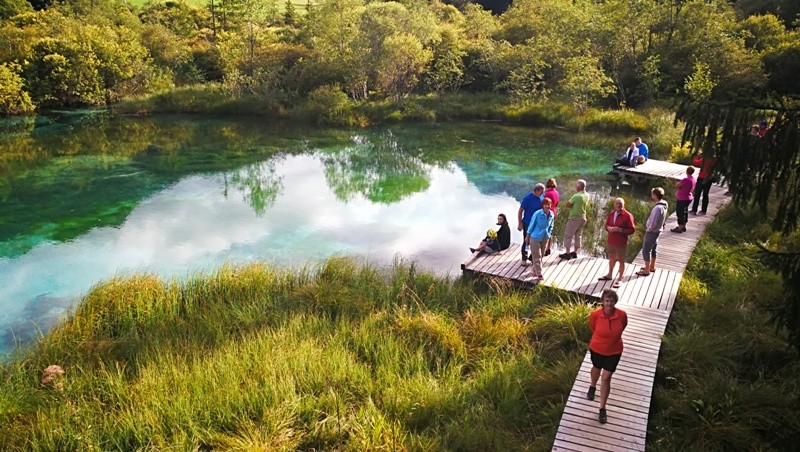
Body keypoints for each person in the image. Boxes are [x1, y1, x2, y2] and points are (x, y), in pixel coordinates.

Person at [587, 288, 628, 425]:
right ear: (602, 302)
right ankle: (592, 386)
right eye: (606, 301)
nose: (609, 303)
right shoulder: (595, 314)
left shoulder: (622, 315)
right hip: (597, 348)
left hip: (614, 350)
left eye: (611, 301)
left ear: (615, 301)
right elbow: (593, 328)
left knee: (606, 377)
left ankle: (602, 408)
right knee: (596, 367)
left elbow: (623, 327)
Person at [598, 198, 635, 288]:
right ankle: (610, 275)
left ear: (624, 205)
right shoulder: (612, 213)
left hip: (621, 242)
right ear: (614, 204)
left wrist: (620, 230)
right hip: (611, 240)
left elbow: (632, 230)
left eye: (621, 203)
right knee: (611, 257)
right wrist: (609, 228)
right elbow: (606, 225)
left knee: (621, 260)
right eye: (617, 203)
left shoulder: (627, 215)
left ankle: (620, 279)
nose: (619, 205)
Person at [637, 187, 668, 276]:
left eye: (652, 194)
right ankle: (651, 266)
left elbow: (654, 221)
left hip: (653, 232)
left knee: (646, 250)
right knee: (653, 249)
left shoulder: (658, 208)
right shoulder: (664, 204)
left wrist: (648, 229)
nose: (651, 196)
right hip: (658, 231)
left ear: (655, 195)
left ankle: (646, 270)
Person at [524, 198, 555, 282]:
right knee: (536, 255)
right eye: (545, 204)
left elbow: (551, 225)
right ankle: (539, 273)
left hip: (544, 237)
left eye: (549, 204)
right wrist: (527, 236)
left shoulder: (551, 214)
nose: (547, 206)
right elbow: (531, 225)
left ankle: (534, 269)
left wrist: (548, 234)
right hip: (535, 237)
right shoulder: (537, 214)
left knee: (541, 254)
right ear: (543, 205)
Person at [559, 179, 589, 260]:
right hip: (583, 217)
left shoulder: (576, 196)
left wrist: (572, 206)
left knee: (568, 235)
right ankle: (575, 252)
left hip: (574, 218)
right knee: (578, 235)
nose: (575, 187)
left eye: (576, 185)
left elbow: (567, 205)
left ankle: (568, 253)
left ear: (579, 187)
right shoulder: (587, 195)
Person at [518, 183, 545, 264]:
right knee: (526, 241)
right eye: (541, 192)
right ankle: (524, 258)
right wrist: (520, 223)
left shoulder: (541, 197)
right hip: (528, 223)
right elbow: (520, 211)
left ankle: (532, 257)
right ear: (536, 190)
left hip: (537, 224)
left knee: (536, 241)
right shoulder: (527, 198)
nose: (542, 193)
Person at [690, 150, 717, 215]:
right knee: (705, 194)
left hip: (702, 177)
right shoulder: (715, 159)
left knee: (697, 194)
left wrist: (698, 156)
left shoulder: (705, 159)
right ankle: (704, 210)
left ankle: (694, 209)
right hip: (710, 178)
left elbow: (696, 163)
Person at [672, 166, 696, 233]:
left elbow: (677, 185)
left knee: (680, 212)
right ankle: (684, 226)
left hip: (682, 198)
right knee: (685, 212)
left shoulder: (686, 179)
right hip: (689, 198)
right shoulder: (693, 179)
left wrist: (677, 183)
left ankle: (680, 227)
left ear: (687, 171)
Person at [543, 178, 560, 256]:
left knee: (545, 230)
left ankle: (544, 249)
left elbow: (543, 203)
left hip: (547, 212)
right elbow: (556, 204)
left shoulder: (547, 193)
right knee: (550, 231)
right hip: (553, 212)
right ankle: (548, 248)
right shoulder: (556, 193)